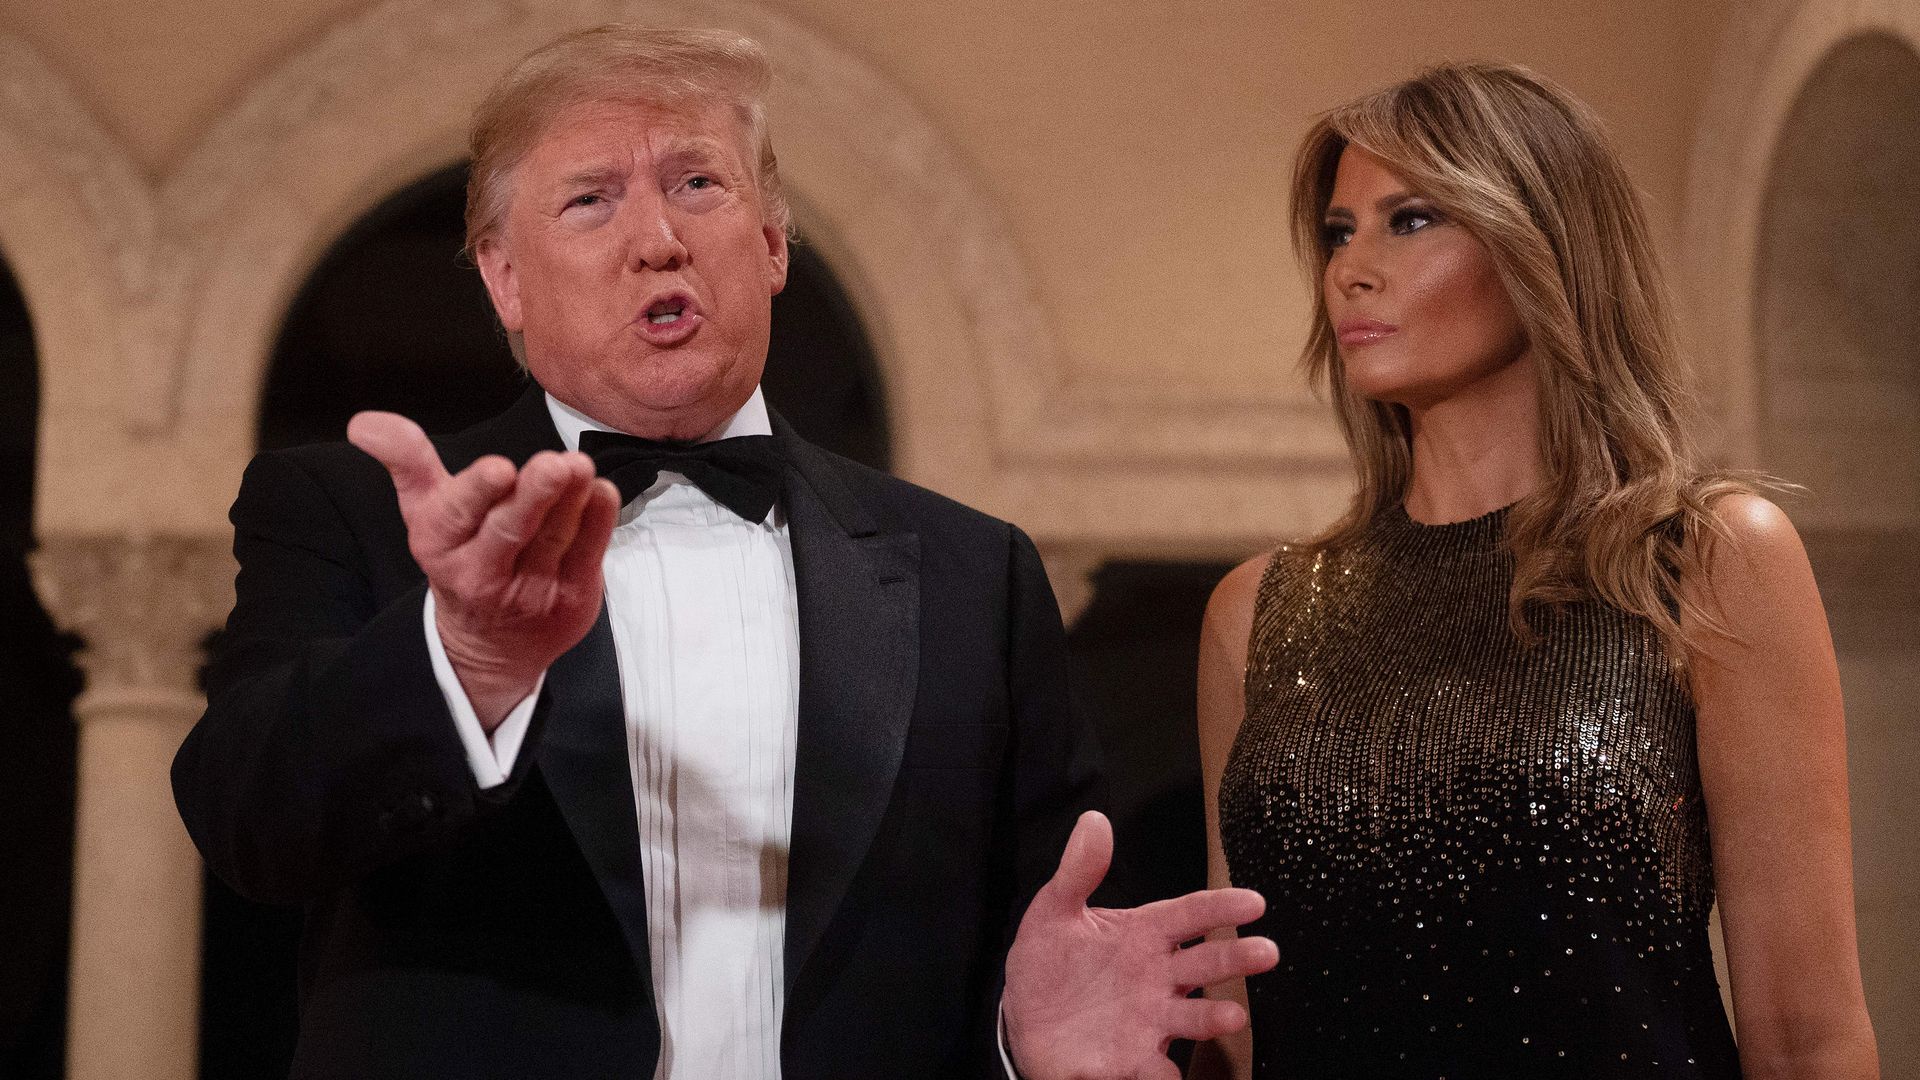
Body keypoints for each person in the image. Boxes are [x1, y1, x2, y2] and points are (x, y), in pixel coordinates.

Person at [171, 25, 1275, 1080]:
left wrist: (1021, 1049)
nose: (658, 237)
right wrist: (463, 658)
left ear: (772, 242)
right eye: (591, 199)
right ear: (504, 277)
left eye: (698, 183)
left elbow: (1049, 938)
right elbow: (247, 825)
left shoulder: (973, 575)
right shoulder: (348, 510)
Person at [1193, 62, 1880, 1079]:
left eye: (1411, 220)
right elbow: (1237, 1019)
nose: (1352, 269)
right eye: (1341, 232)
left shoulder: (1707, 559)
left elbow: (1806, 1035)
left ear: (1542, 246)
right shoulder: (1257, 613)